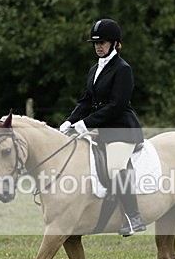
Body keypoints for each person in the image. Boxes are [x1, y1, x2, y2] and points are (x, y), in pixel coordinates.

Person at [60, 18, 146, 236]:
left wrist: (86, 123)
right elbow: (86, 101)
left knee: (115, 167)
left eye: (103, 42)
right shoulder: (94, 69)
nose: (98, 46)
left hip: (122, 130)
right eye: (95, 43)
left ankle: (133, 216)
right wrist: (70, 121)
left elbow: (116, 105)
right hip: (104, 131)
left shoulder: (123, 69)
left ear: (115, 44)